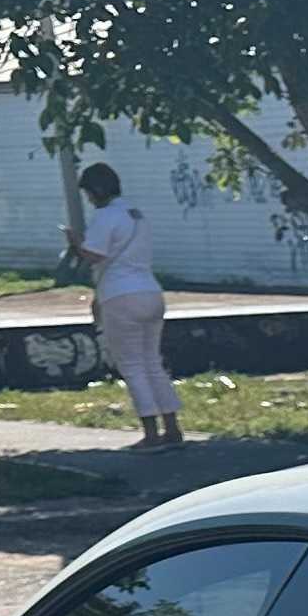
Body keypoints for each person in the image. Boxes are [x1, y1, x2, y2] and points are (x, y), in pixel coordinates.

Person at [71, 163, 179, 448]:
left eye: (89, 194)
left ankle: (151, 434)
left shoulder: (105, 217)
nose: (89, 200)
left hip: (120, 295)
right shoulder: (137, 214)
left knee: (132, 366)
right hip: (151, 292)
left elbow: (93, 255)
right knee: (153, 363)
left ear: (96, 190)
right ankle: (172, 427)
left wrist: (74, 242)